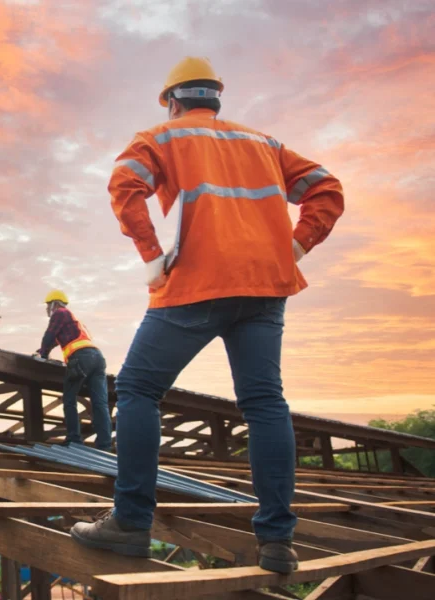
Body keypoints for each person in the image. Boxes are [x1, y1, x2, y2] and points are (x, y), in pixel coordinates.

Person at [70, 57, 344, 574]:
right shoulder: (263, 143)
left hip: (197, 283)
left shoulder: (163, 137)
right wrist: (295, 248)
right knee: (265, 402)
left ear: (173, 101)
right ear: (216, 99)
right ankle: (278, 541)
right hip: (265, 287)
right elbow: (328, 189)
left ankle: (130, 523)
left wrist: (152, 258)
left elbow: (125, 185)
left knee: (137, 390)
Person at [36, 290, 113, 451]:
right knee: (100, 404)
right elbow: (54, 341)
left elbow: (49, 335)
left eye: (47, 306)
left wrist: (42, 355)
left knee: (69, 399)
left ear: (54, 304)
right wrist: (43, 350)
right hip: (97, 359)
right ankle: (105, 445)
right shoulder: (73, 321)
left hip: (81, 358)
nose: (47, 310)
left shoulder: (60, 313)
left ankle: (74, 439)